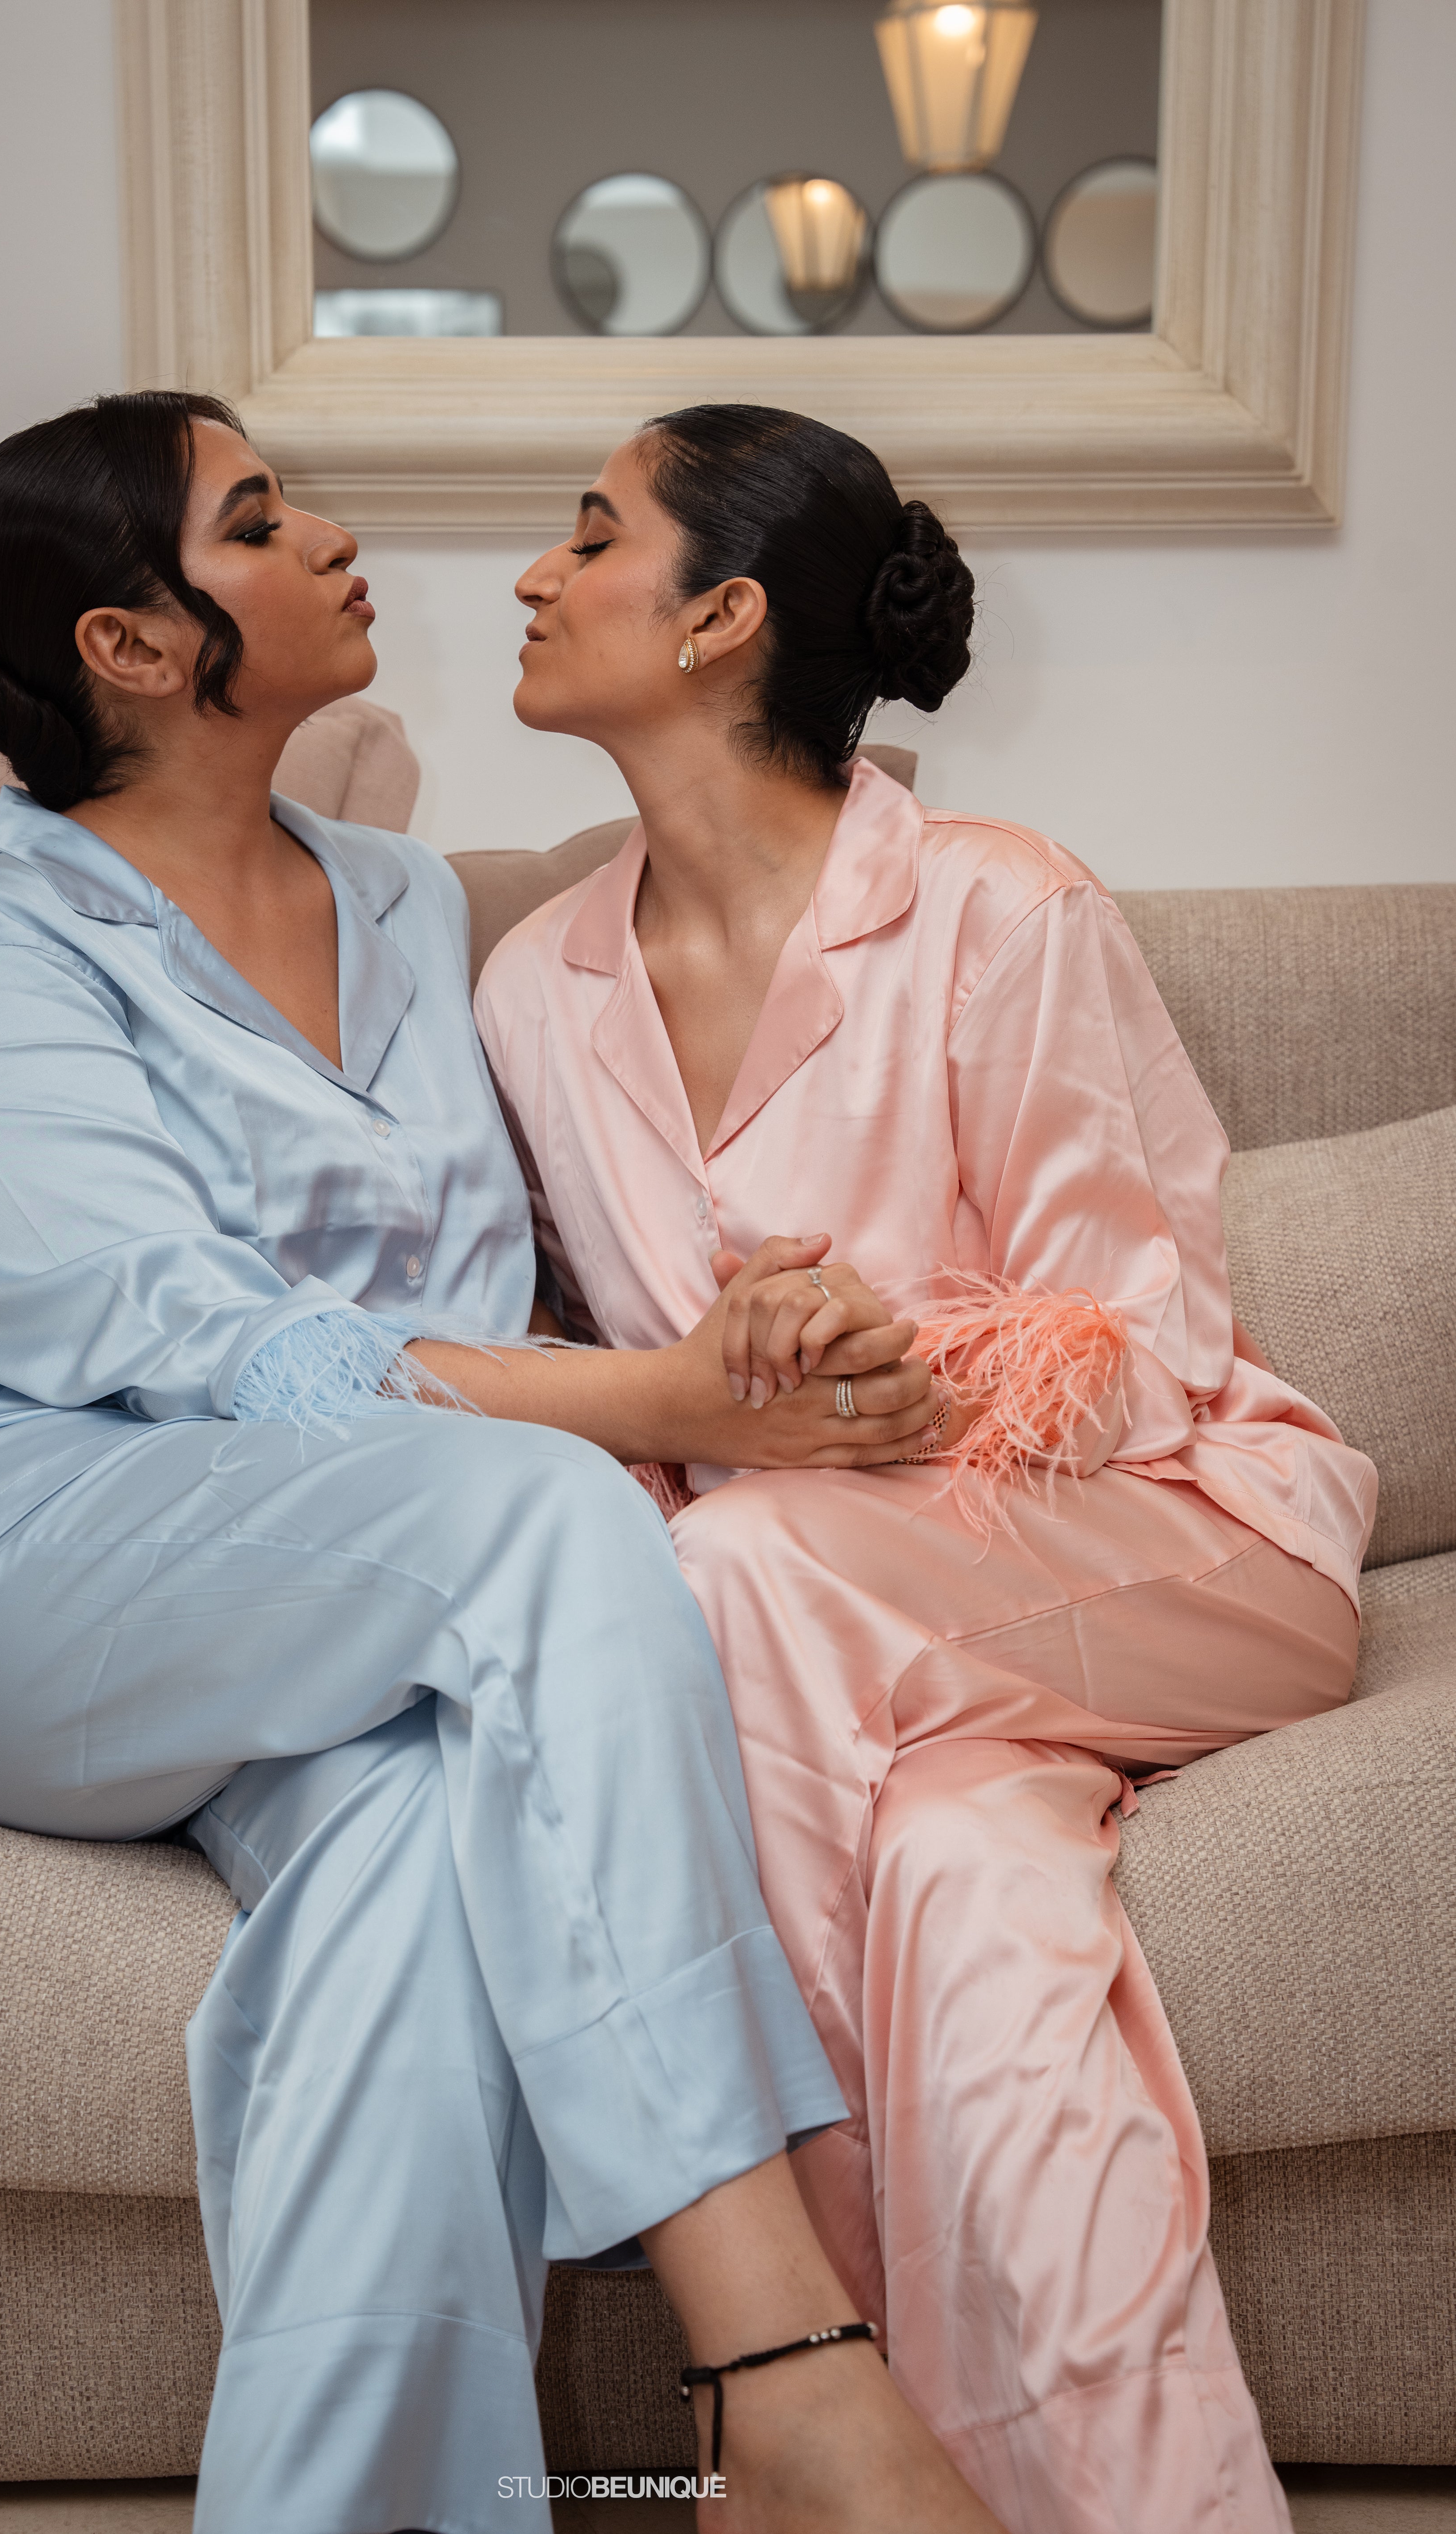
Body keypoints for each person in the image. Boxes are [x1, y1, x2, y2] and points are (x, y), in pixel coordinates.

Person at [0, 393, 1005, 2534]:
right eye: (258, 520)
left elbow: (486, 1290)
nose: (333, 536)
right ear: (132, 644)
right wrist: (657, 1410)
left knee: (423, 1877)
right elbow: (207, 1355)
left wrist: (753, 1325)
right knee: (530, 1513)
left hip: (330, 1589)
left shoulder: (408, 906)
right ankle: (783, 2370)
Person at [473, 404, 1377, 2534]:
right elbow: (601, 1372)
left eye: (586, 535)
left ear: (718, 617)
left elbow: (1137, 1344)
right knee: (974, 1921)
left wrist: (875, 1360)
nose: (531, 574)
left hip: (1176, 1555)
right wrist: (705, 1397)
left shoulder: (997, 905)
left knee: (748, 1571)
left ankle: (794, 2407)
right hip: (894, 1681)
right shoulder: (533, 989)